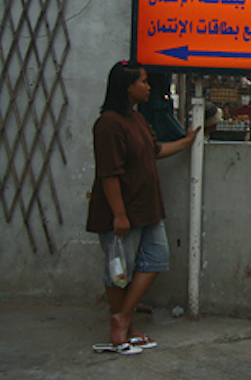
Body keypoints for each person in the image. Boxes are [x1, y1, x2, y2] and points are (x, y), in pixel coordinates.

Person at [86, 60, 200, 354]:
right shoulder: (109, 124)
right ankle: (124, 324)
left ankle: (122, 317)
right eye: (144, 82)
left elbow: (156, 150)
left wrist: (187, 142)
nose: (149, 87)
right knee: (119, 272)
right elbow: (109, 172)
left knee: (156, 259)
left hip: (148, 208)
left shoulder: (137, 120)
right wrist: (120, 213)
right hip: (123, 211)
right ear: (127, 87)